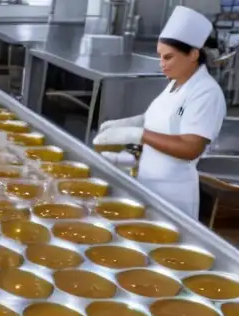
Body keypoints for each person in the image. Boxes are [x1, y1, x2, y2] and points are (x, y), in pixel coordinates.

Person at [92, 6, 226, 218]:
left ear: (193, 54)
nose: (162, 64)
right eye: (160, 57)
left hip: (173, 196)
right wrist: (130, 129)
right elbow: (159, 122)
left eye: (169, 57)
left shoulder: (206, 93)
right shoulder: (175, 84)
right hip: (148, 185)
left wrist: (138, 134)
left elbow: (191, 148)